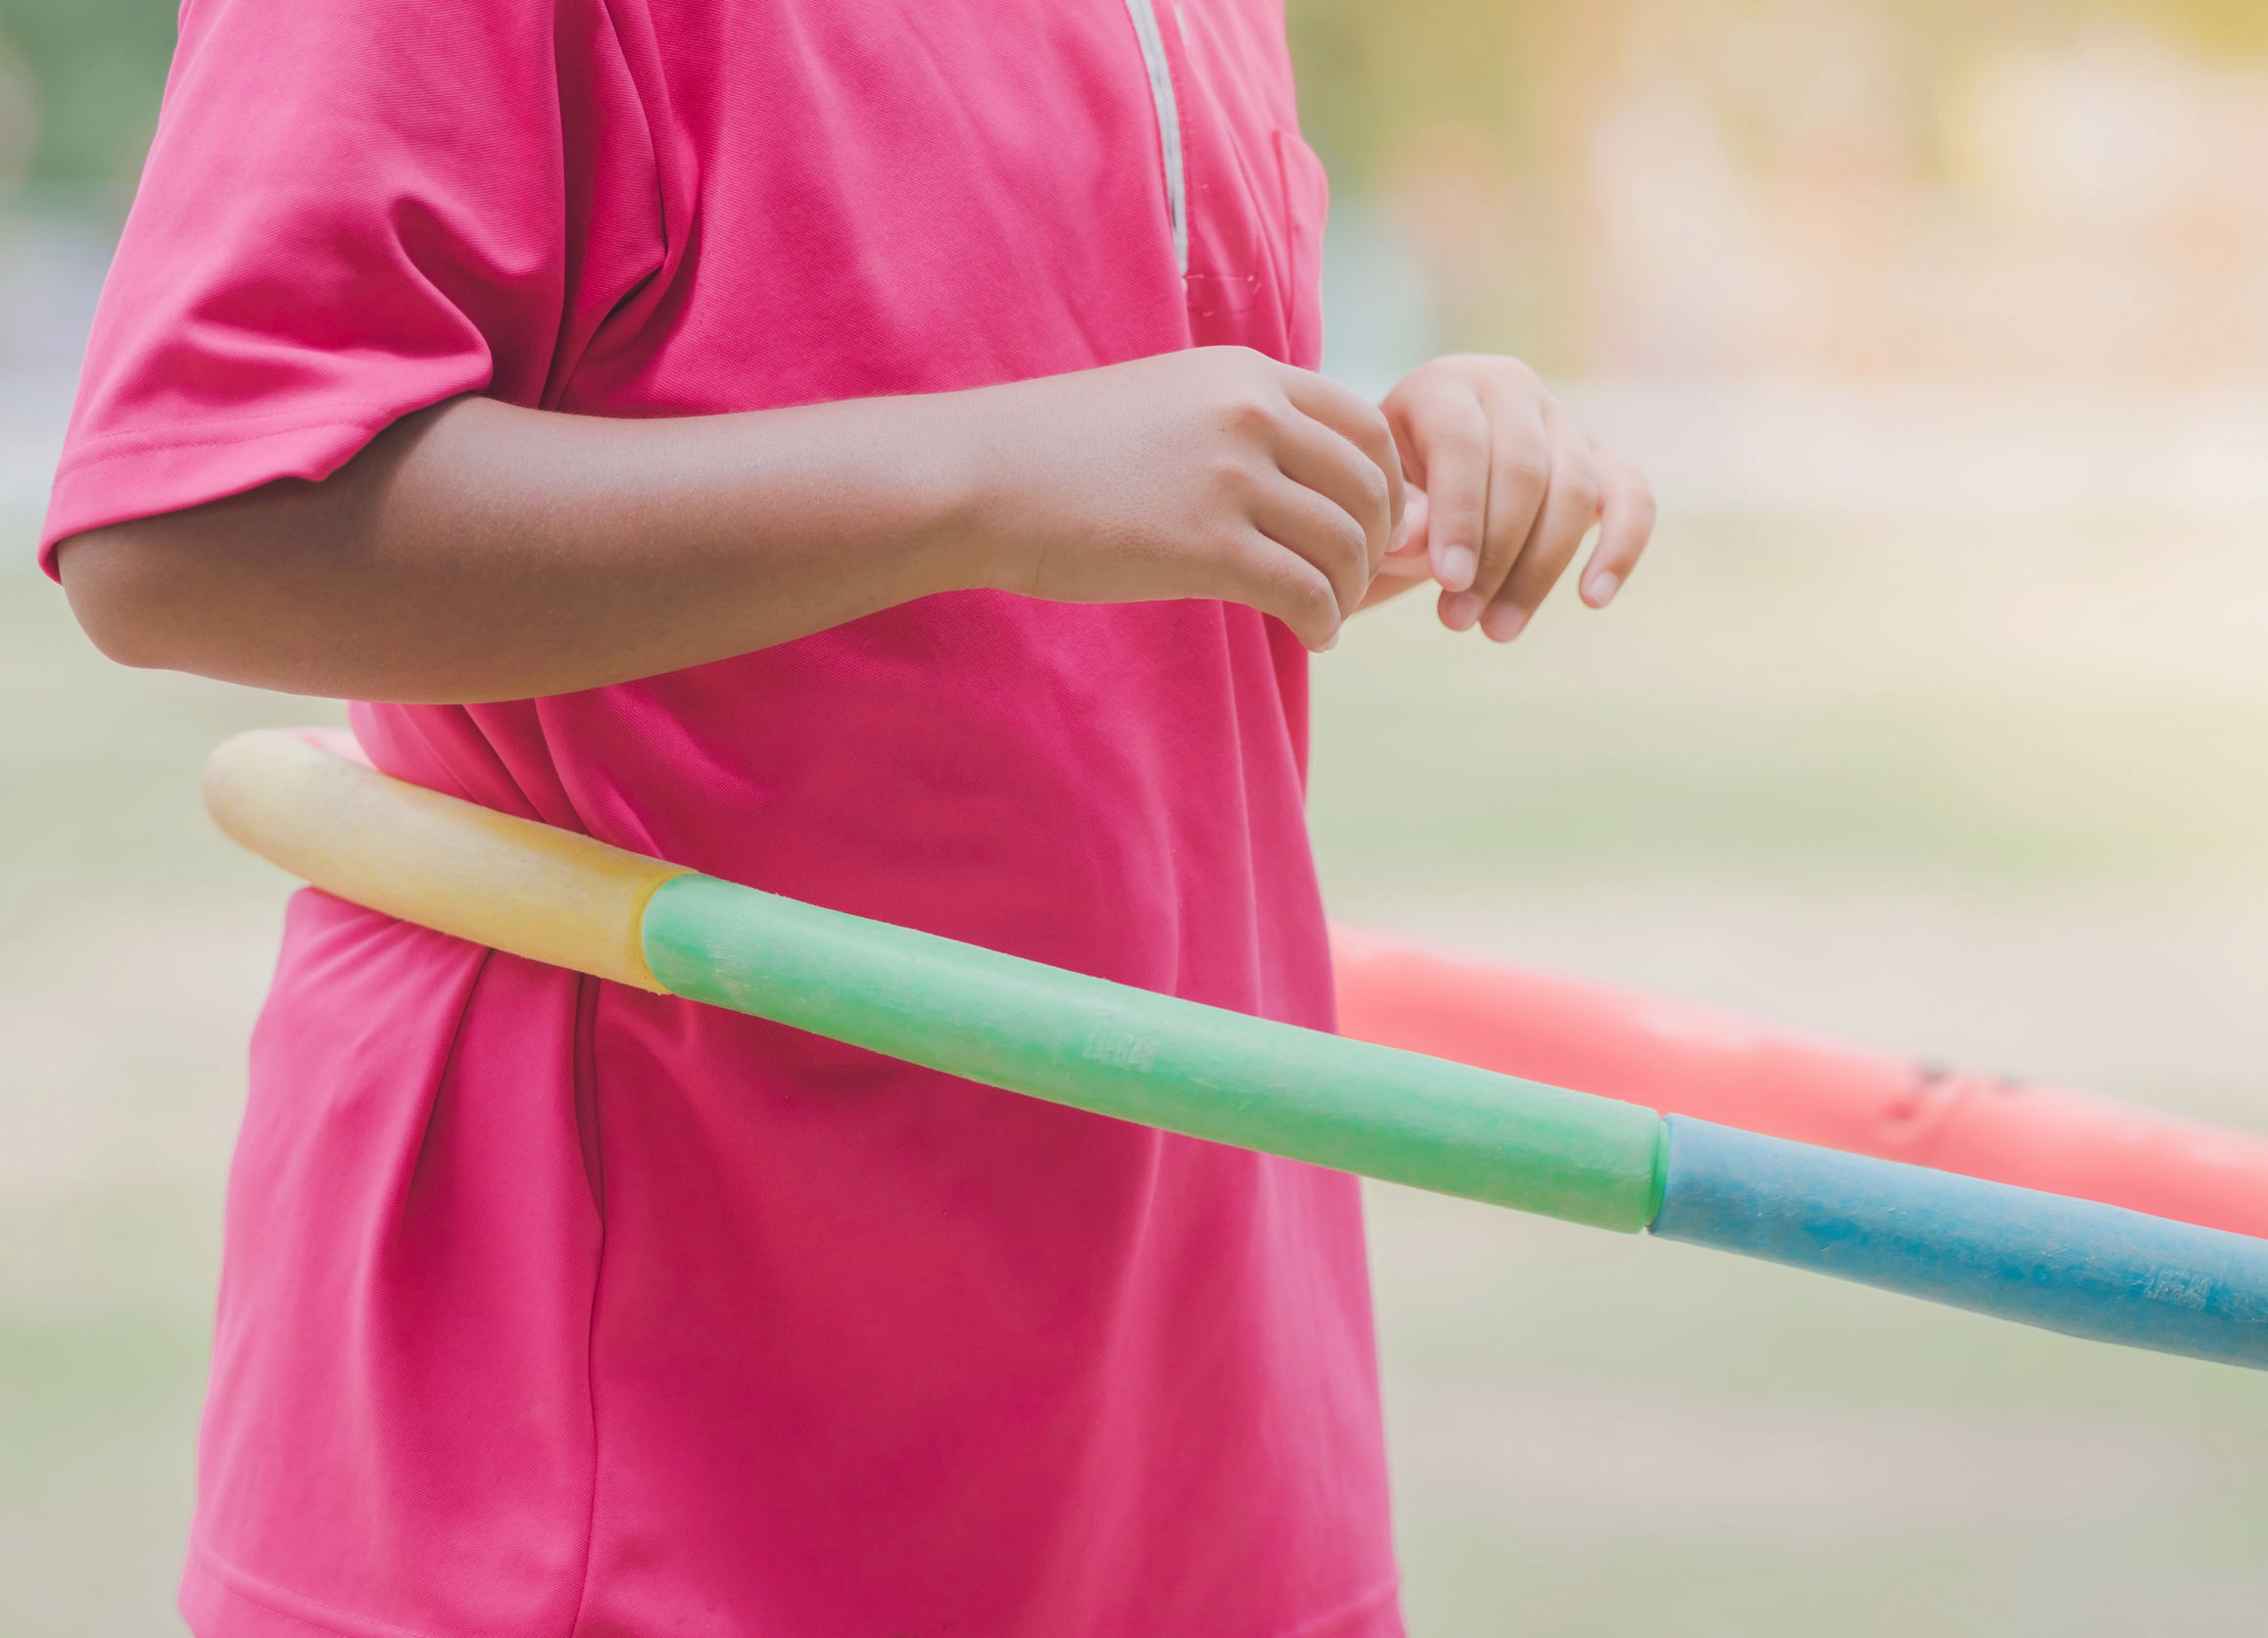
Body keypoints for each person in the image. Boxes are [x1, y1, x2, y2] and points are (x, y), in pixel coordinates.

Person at [47, 0, 1654, 1630]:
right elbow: (197, 528)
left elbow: (1015, 564)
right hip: (638, 1438)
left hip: (1185, 1412)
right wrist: (994, 479)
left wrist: (1353, 483)